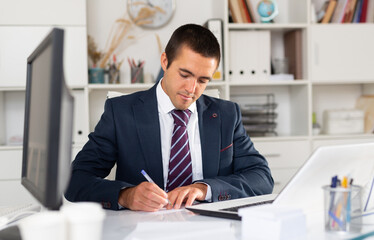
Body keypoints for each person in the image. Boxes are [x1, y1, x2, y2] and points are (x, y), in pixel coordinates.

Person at [65, 23, 273, 212]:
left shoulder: (227, 115)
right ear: (165, 61)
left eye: (203, 80)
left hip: (209, 228)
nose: (191, 89)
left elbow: (261, 177)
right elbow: (75, 181)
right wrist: (125, 195)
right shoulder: (121, 112)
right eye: (184, 75)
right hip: (143, 229)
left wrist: (204, 189)